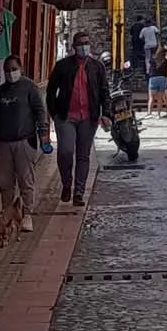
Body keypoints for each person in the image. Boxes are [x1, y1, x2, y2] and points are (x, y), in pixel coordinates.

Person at [0, 53, 49, 232]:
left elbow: (40, 111)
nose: (10, 73)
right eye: (7, 70)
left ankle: (27, 214)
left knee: (26, 180)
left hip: (24, 141)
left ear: (20, 69)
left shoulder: (29, 87)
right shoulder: (1, 91)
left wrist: (43, 133)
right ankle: (8, 215)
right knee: (5, 183)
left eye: (14, 69)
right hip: (3, 143)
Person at [47, 33, 110, 207]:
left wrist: (106, 113)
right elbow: (51, 91)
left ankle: (79, 192)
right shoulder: (62, 66)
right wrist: (54, 114)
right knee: (65, 152)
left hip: (88, 118)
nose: (84, 46)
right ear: (74, 46)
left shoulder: (97, 67)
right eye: (81, 43)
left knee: (83, 155)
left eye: (86, 43)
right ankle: (66, 183)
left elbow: (104, 91)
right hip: (66, 116)